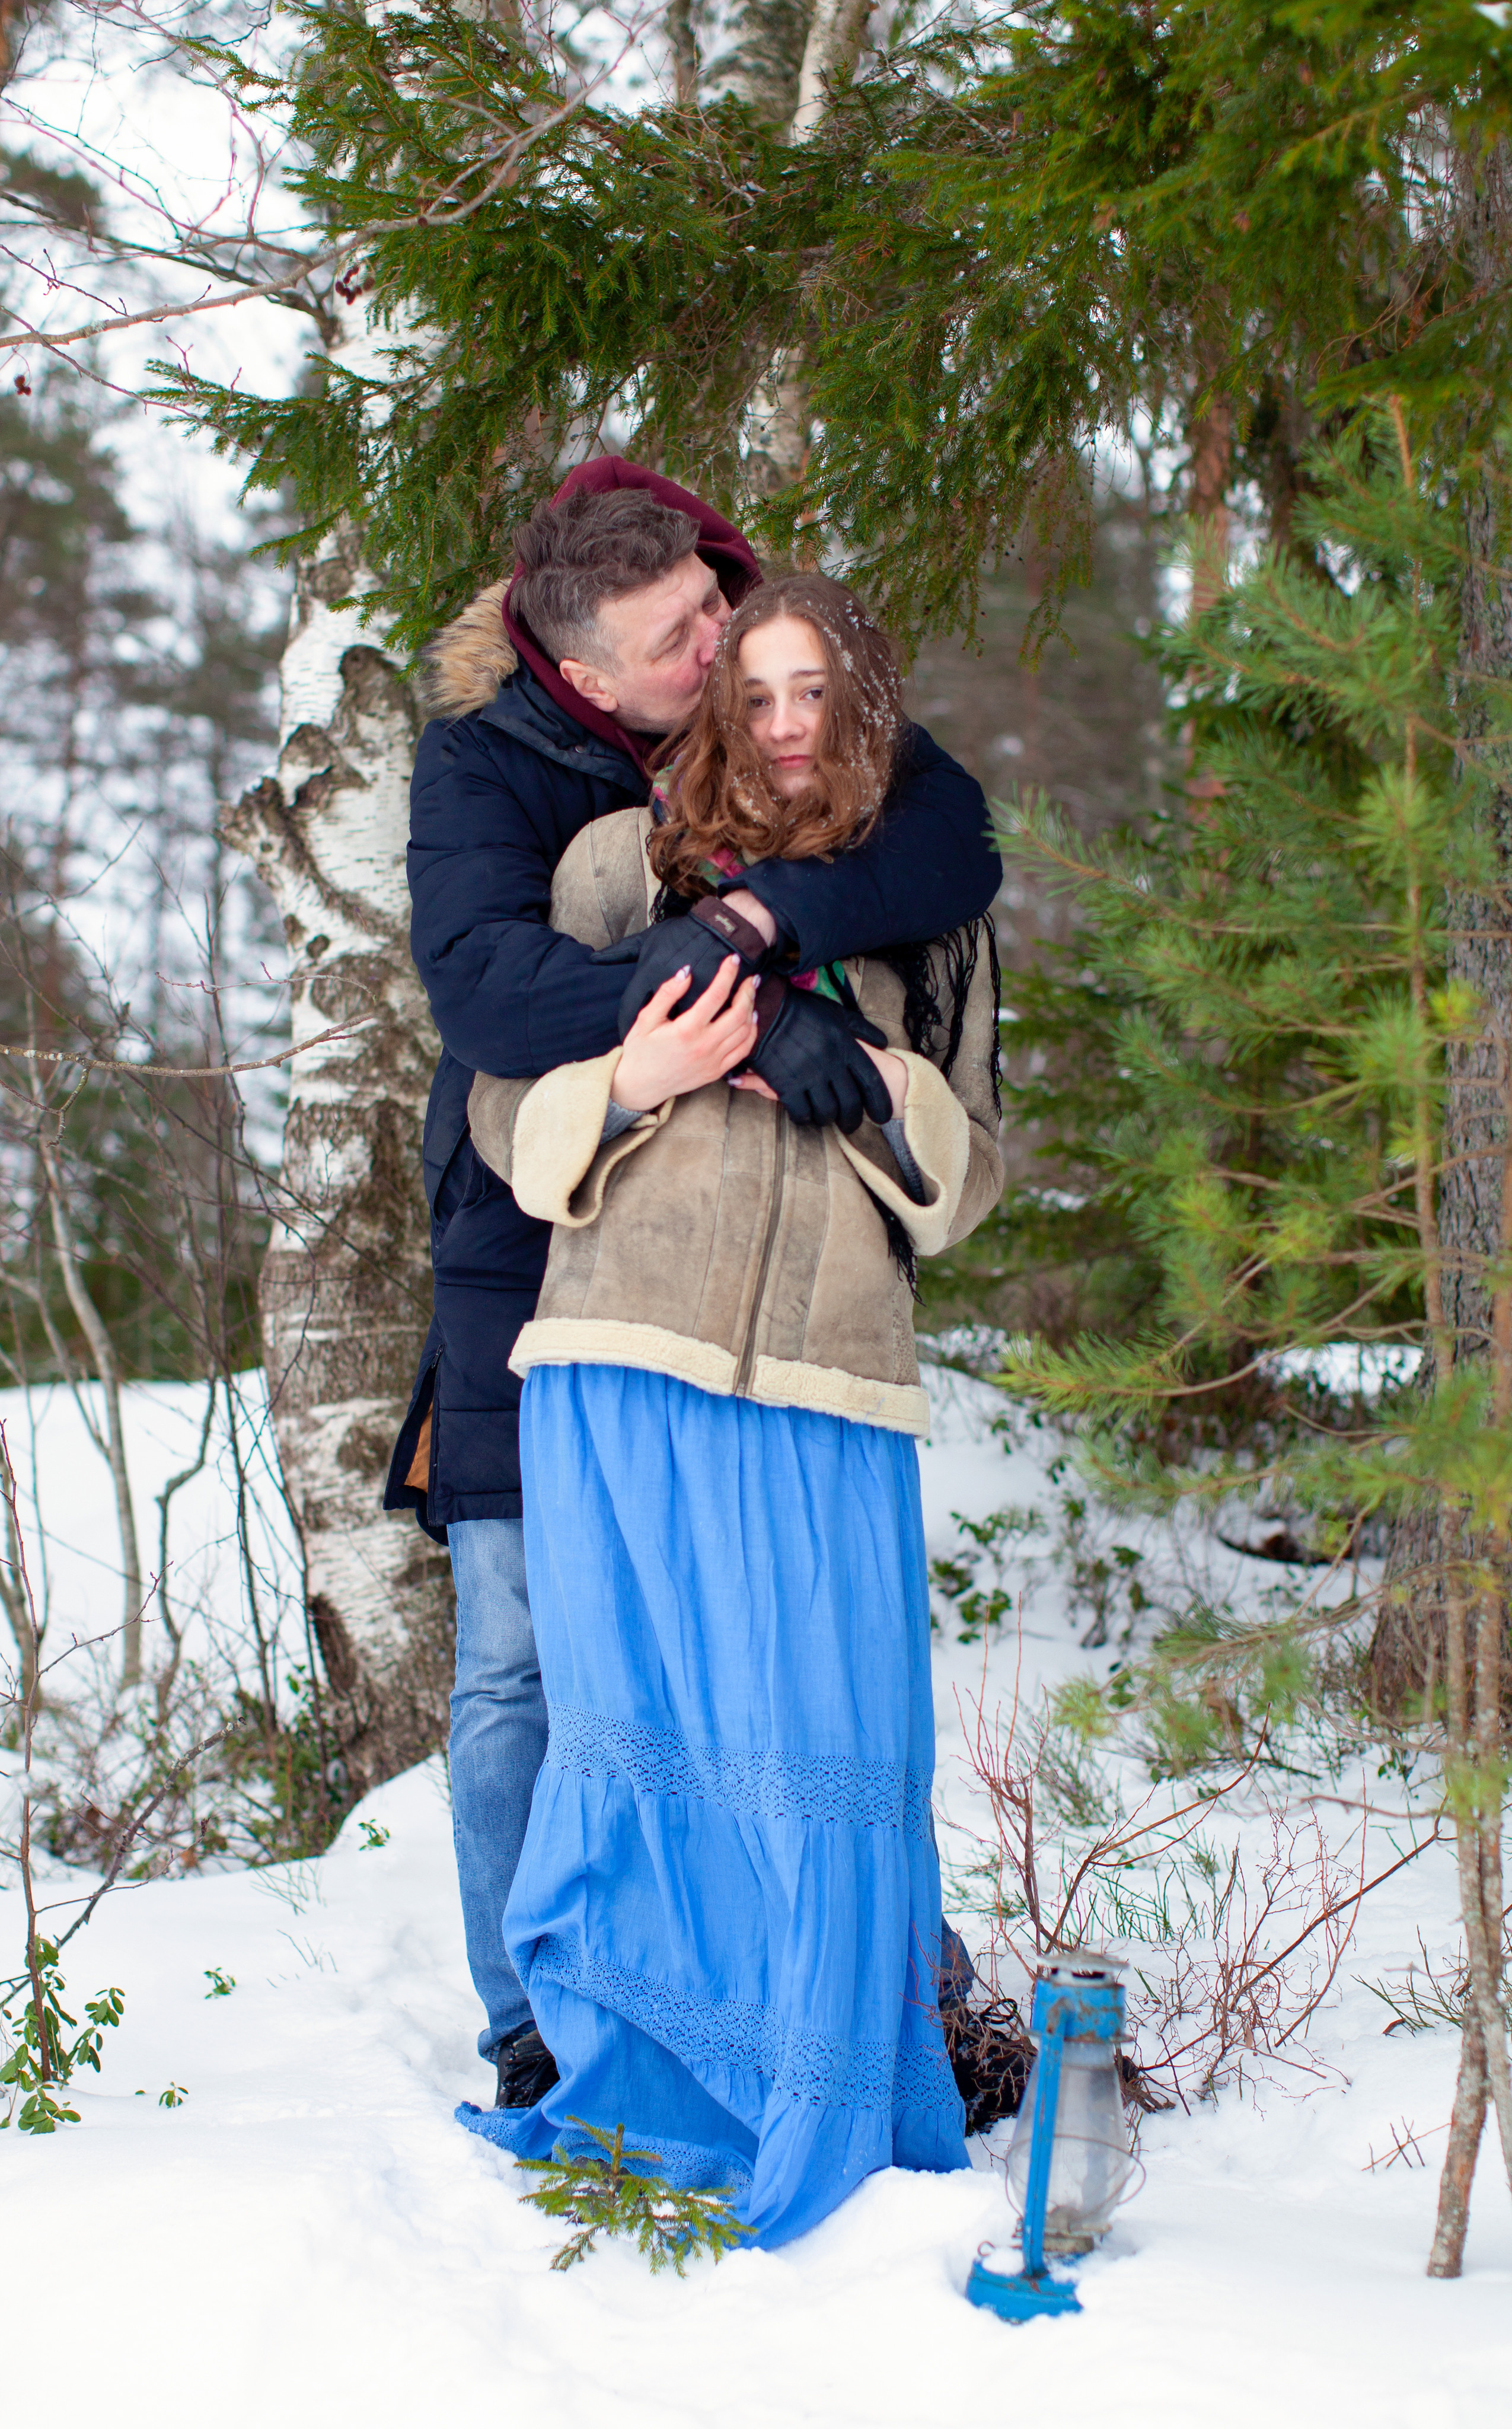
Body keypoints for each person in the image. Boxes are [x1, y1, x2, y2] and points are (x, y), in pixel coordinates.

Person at [383, 464, 1002, 2111]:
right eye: (686, 636)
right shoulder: (493, 770)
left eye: (723, 598)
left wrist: (766, 932)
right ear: (586, 675)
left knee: (794, 1664)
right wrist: (688, 1005)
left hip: (788, 1282)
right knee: (530, 1654)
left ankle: (881, 1988)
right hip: (535, 1259)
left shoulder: (794, 720)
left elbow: (948, 841)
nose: (724, 645)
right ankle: (543, 2015)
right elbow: (488, 996)